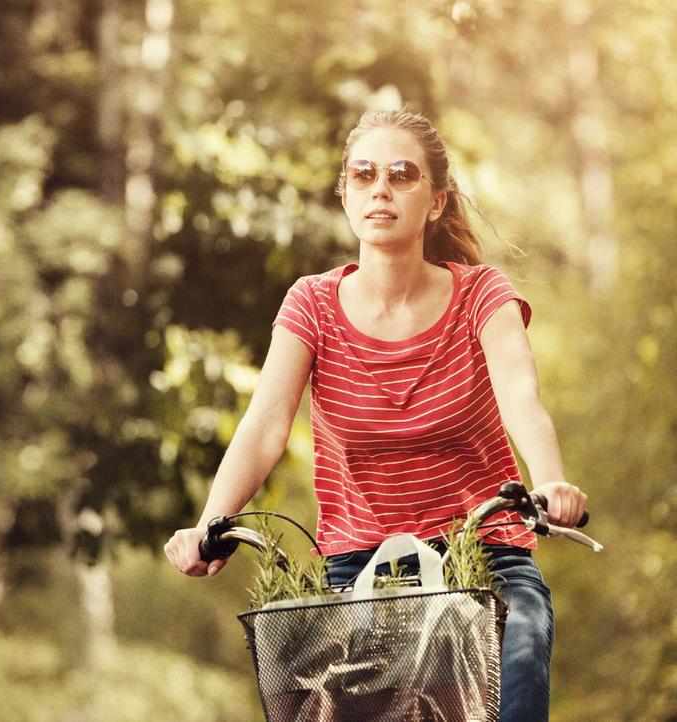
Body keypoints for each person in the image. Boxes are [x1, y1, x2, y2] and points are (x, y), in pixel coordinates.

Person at [163, 108, 587, 722]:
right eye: (362, 175)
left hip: (483, 556)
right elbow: (265, 425)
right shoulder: (311, 303)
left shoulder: (481, 295)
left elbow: (520, 396)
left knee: (518, 655)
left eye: (401, 174)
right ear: (345, 194)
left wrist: (548, 483)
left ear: (436, 201)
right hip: (360, 570)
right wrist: (211, 523)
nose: (379, 188)